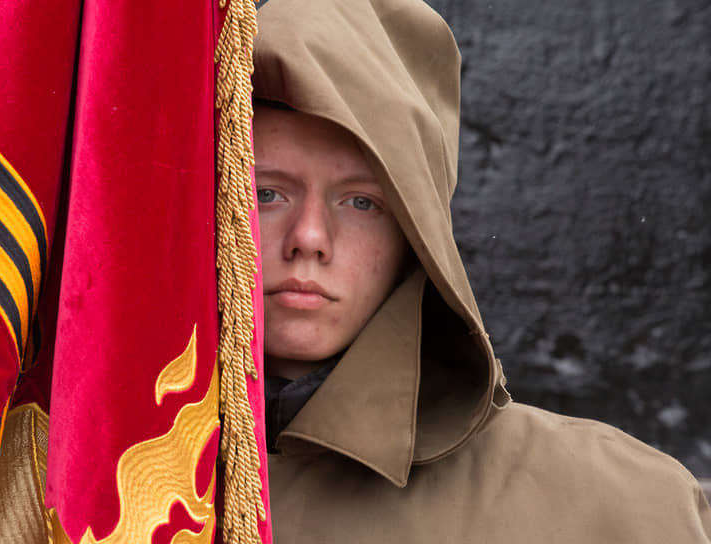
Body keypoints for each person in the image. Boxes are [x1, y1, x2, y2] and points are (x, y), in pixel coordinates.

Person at [250, 0, 711, 541]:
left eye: (362, 203)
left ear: (415, 236)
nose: (310, 239)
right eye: (267, 193)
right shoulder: (131, 475)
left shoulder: (616, 508)